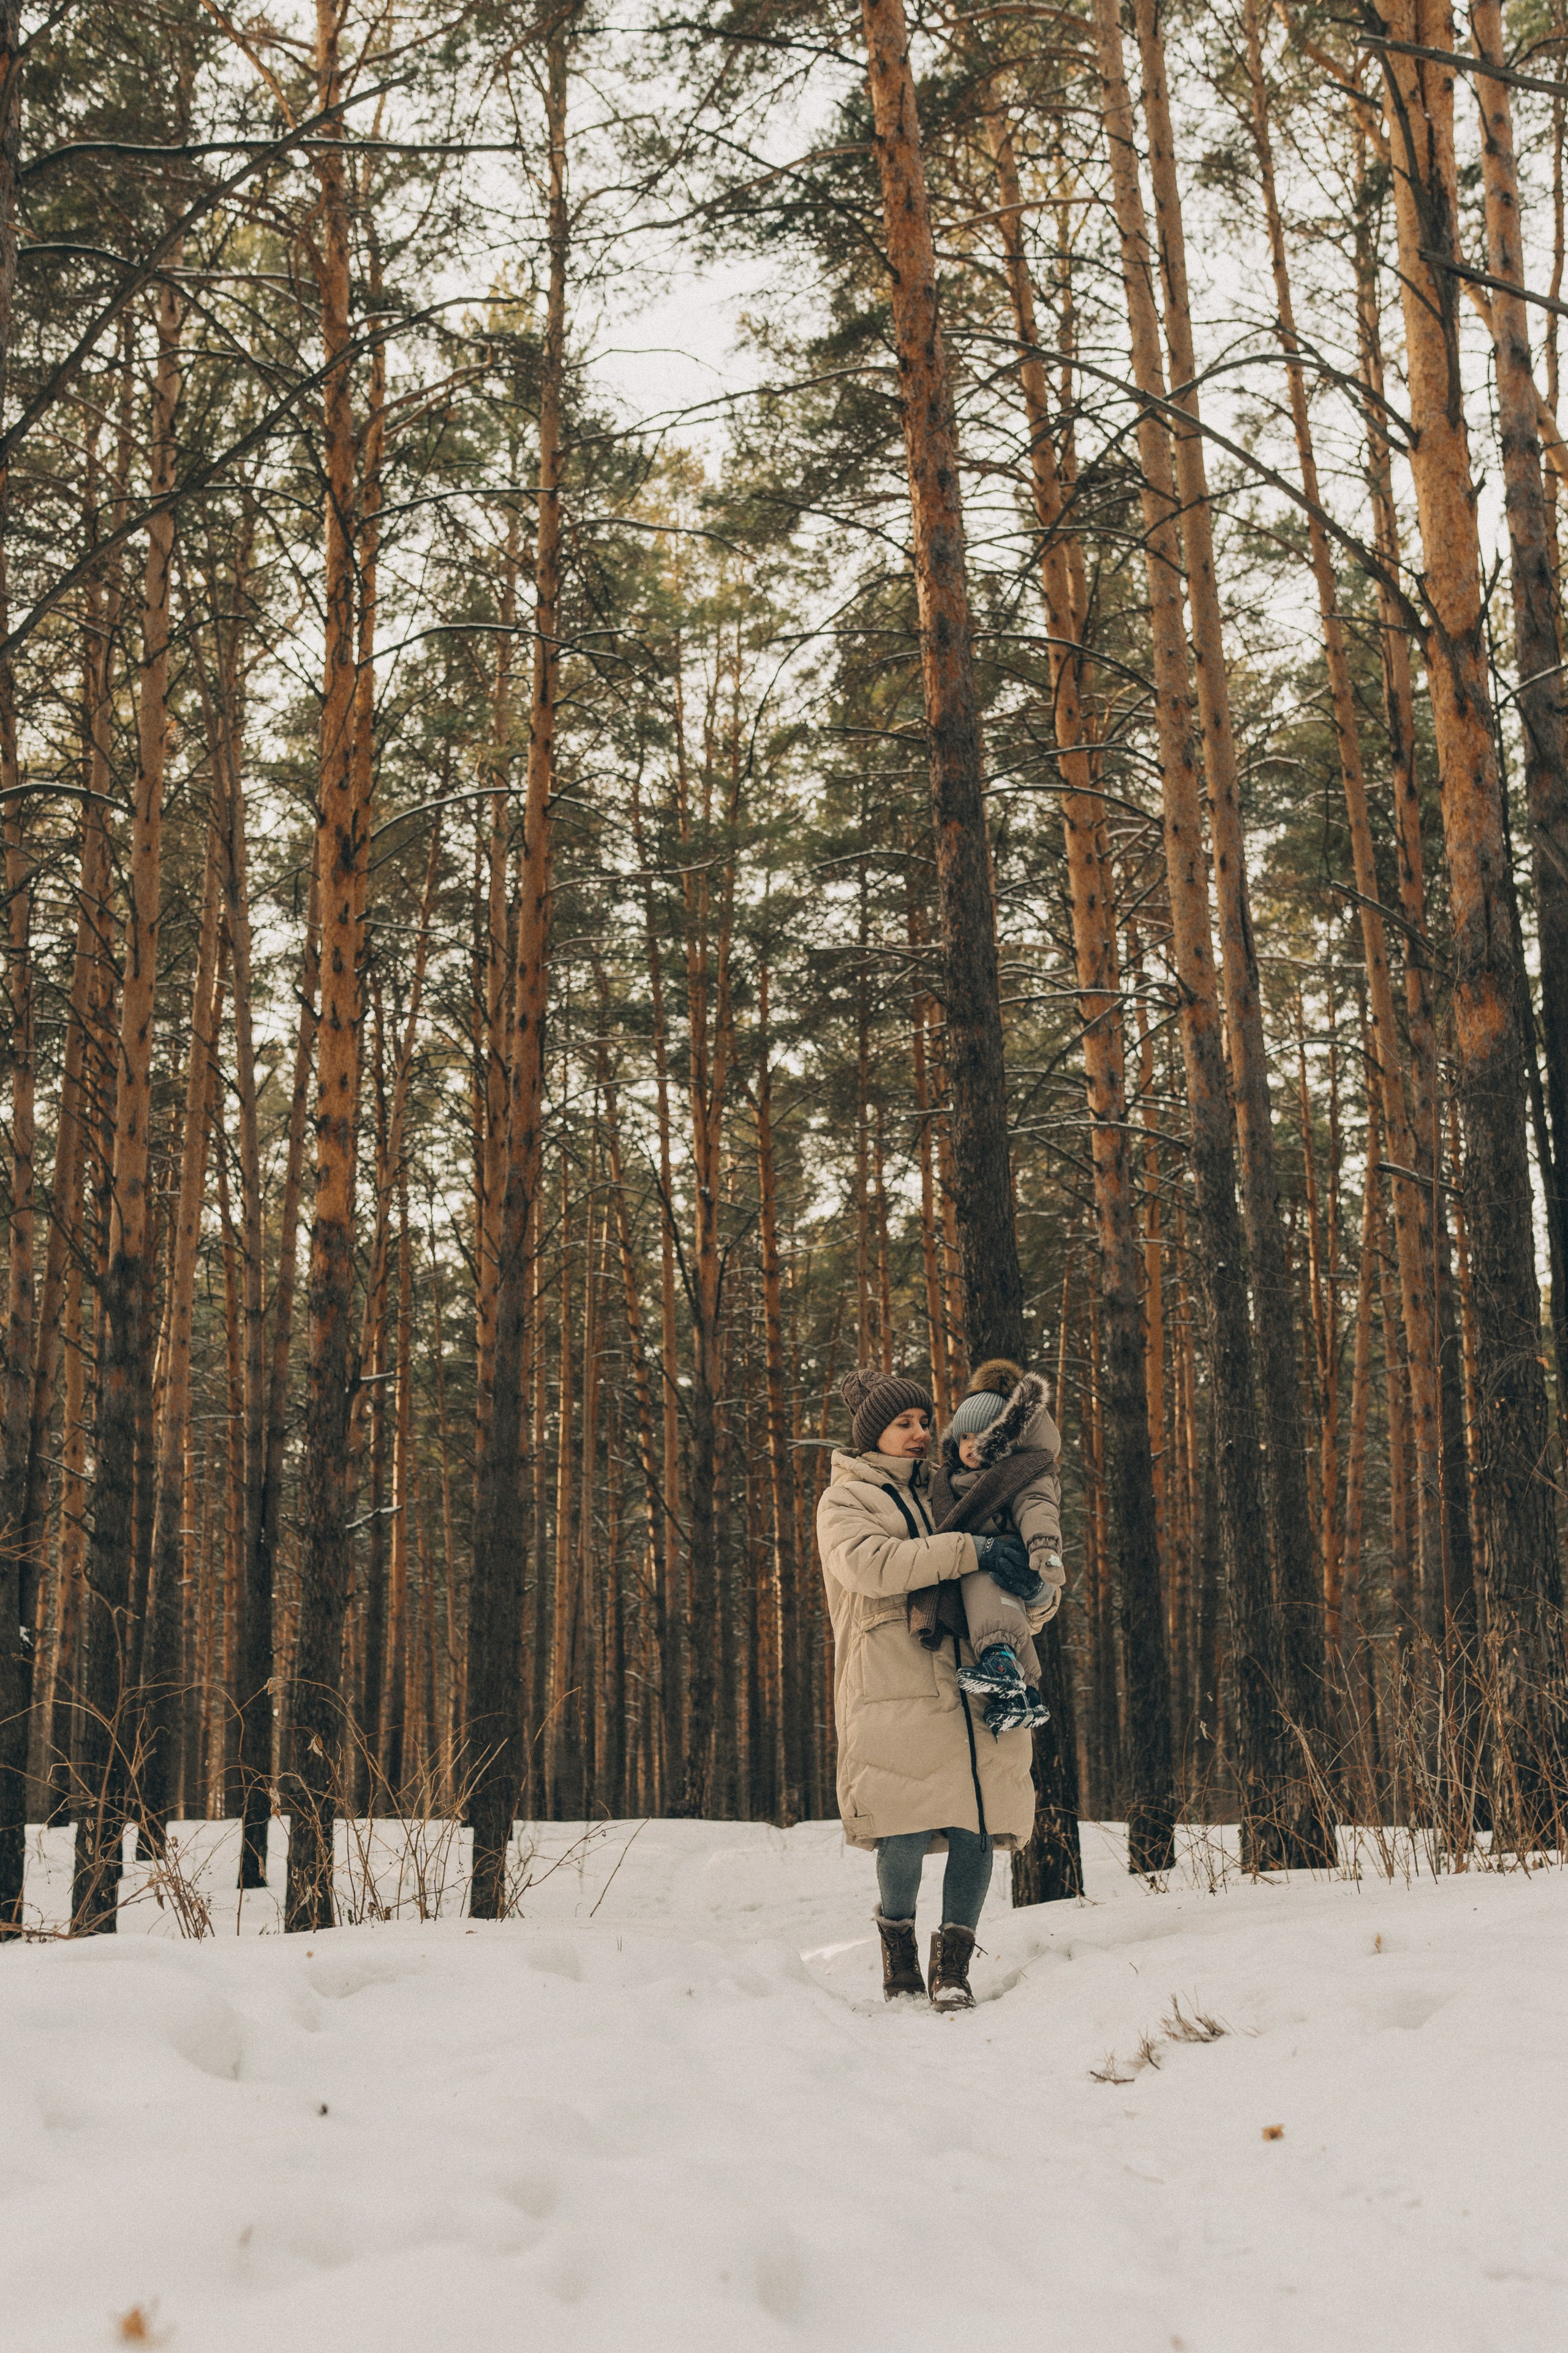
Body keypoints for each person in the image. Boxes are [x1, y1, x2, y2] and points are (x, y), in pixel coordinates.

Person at [815, 1364, 1062, 2012]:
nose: (920, 1432)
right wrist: (973, 1549)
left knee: (977, 1825)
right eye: (904, 1423)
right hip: (893, 1687)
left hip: (976, 1682)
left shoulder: (949, 1487)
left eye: (926, 1420)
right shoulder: (845, 1500)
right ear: (872, 1433)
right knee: (902, 1827)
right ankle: (898, 1956)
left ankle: (953, 1968)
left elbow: (1000, 1584)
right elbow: (872, 1564)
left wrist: (1036, 1592)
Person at [931, 1358, 1066, 1738]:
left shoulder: (1018, 1475)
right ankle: (1024, 1695)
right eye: (964, 1438)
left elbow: (1038, 1508)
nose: (970, 1446)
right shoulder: (946, 1482)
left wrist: (1044, 1550)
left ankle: (1000, 1663)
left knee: (985, 1586)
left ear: (1002, 1439)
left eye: (981, 1437)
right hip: (977, 1559)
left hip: (1006, 1558)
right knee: (995, 1601)